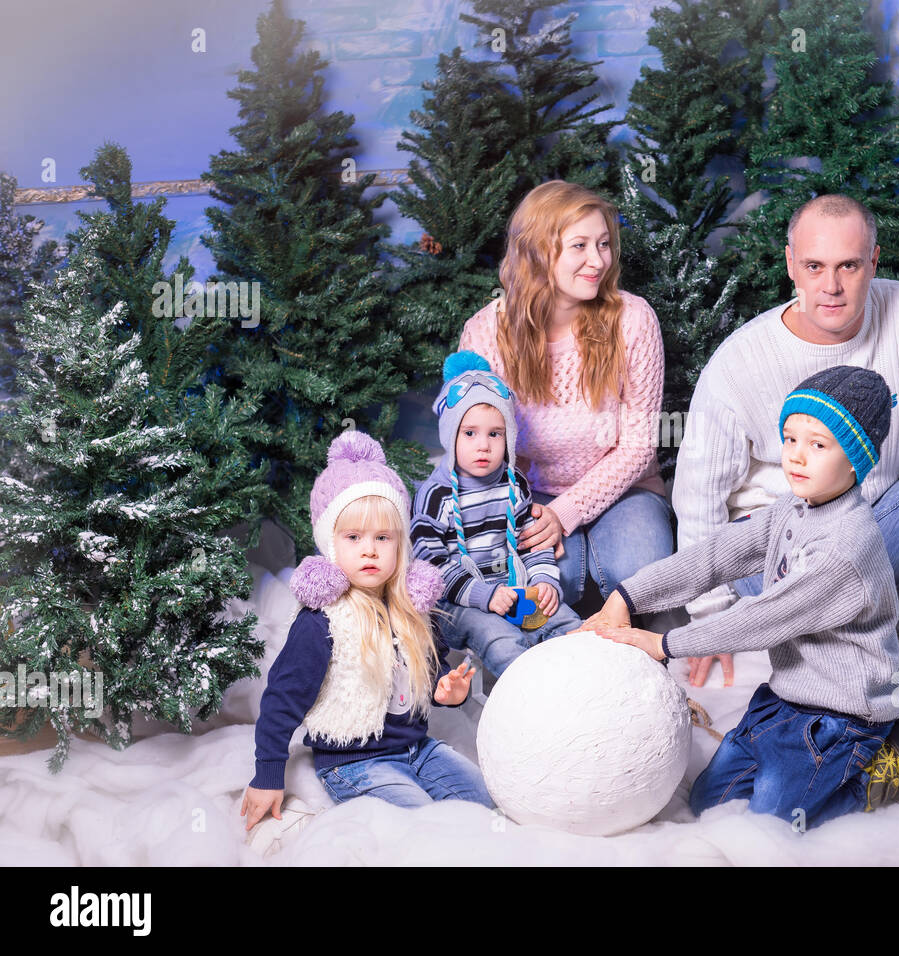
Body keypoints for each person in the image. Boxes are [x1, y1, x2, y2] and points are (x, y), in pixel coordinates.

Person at [671, 194, 899, 707]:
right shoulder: (742, 360)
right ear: (790, 266)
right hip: (781, 556)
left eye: (849, 265)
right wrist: (711, 615)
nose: (832, 286)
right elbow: (698, 491)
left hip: (878, 526)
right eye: (814, 266)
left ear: (874, 261)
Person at [592, 367, 899, 828]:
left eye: (818, 445)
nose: (796, 457)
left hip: (842, 718)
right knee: (709, 803)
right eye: (790, 439)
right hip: (784, 699)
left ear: (856, 459)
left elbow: (764, 617)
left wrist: (664, 645)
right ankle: (787, 756)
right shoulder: (791, 510)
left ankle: (885, 770)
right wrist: (629, 595)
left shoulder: (847, 547)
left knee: (774, 823)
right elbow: (715, 555)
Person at [241, 431, 492, 831]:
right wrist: (268, 774)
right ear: (331, 544)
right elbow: (281, 698)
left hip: (417, 750)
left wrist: (448, 690)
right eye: (354, 537)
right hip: (355, 763)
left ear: (400, 545)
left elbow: (430, 673)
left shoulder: (413, 611)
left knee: (485, 809)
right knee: (425, 829)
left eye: (382, 537)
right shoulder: (322, 622)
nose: (370, 549)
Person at [457, 180, 674, 622]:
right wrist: (524, 513)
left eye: (604, 244)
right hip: (528, 492)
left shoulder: (633, 319)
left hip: (627, 489)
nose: (598, 261)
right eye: (580, 246)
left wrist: (566, 512)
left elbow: (638, 448)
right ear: (538, 252)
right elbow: (479, 447)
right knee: (541, 585)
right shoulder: (485, 334)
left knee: (640, 575)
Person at [410, 350, 584, 677]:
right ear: (451, 435)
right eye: (470, 433)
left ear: (509, 437)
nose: (483, 445)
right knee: (499, 638)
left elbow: (531, 542)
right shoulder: (436, 495)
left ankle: (582, 679)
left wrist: (545, 580)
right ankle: (530, 694)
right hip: (458, 602)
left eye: (495, 433)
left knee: (562, 619)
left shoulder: (513, 484)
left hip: (511, 587)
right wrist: (484, 596)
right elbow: (429, 566)